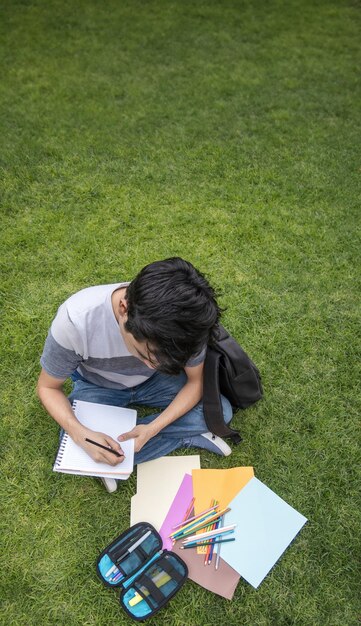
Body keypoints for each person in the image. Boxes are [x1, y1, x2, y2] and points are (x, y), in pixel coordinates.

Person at [37, 257, 233, 492]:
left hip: (158, 385)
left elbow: (195, 381)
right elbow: (48, 387)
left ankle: (113, 461)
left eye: (164, 360)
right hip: (98, 384)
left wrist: (154, 428)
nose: (153, 366)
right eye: (144, 354)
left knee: (221, 410)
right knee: (70, 441)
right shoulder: (75, 322)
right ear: (124, 309)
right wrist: (81, 435)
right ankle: (184, 436)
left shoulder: (188, 327)